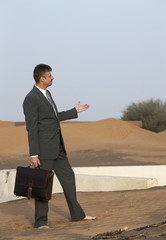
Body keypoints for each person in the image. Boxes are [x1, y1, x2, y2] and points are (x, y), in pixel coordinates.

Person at [23, 64, 96, 229]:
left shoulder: (47, 94)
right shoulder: (31, 98)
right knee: (43, 184)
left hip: (58, 149)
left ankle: (77, 215)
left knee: (69, 178)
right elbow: (32, 128)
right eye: (50, 75)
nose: (52, 77)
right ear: (42, 78)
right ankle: (41, 222)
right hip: (43, 151)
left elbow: (54, 118)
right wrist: (34, 154)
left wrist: (74, 111)